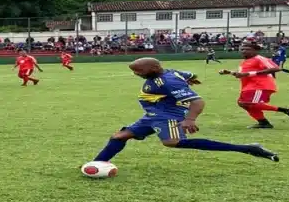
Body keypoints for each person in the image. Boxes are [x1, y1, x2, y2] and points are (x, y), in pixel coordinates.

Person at [91, 58, 279, 166]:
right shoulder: (171, 72)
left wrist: (189, 119)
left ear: (154, 68)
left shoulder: (167, 81)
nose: (136, 74)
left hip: (168, 115)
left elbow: (197, 101)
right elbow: (188, 74)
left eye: (139, 71)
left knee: (171, 142)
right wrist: (193, 79)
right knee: (119, 136)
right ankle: (97, 163)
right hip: (153, 115)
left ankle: (249, 148)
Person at [219, 42, 289, 129]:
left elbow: (277, 68)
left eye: (247, 49)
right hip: (248, 86)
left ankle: (288, 111)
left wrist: (249, 73)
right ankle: (263, 123)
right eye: (242, 49)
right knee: (243, 104)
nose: (244, 51)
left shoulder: (259, 58)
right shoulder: (244, 62)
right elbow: (243, 74)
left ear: (255, 51)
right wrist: (229, 72)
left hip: (260, 85)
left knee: (248, 103)